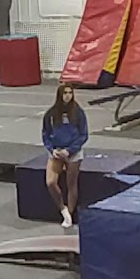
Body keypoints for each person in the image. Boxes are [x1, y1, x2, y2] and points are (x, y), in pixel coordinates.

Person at [41, 84, 89, 228]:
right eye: (65, 93)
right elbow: (45, 134)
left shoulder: (78, 112)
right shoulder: (51, 114)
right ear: (60, 95)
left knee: (71, 184)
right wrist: (52, 150)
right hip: (56, 152)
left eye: (70, 93)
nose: (68, 95)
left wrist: (70, 150)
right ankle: (63, 210)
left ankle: (70, 214)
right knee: (50, 182)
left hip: (73, 152)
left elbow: (83, 135)